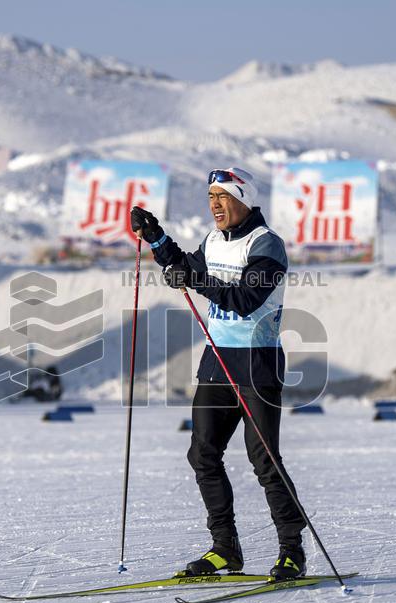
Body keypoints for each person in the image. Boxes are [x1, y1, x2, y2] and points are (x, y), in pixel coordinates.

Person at [130, 168, 307, 580]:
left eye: (222, 195)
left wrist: (193, 279)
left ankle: (291, 552)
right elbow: (183, 266)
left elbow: (245, 298)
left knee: (264, 461)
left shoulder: (267, 245)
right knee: (203, 455)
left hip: (256, 363)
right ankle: (224, 548)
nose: (214, 203)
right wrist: (155, 236)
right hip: (217, 362)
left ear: (243, 198)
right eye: (210, 195)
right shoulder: (213, 241)